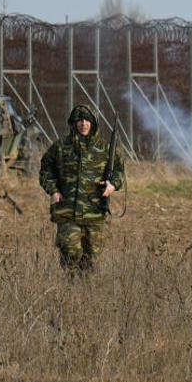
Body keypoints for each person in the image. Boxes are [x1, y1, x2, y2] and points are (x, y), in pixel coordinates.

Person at [39, 104, 124, 274]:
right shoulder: (61, 147)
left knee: (91, 257)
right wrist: (53, 190)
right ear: (73, 123)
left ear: (93, 123)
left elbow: (119, 171)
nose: (83, 124)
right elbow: (45, 170)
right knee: (71, 252)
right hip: (67, 211)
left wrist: (112, 185)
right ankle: (70, 291)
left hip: (95, 211)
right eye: (79, 120)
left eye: (87, 120)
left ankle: (86, 295)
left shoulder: (105, 148)